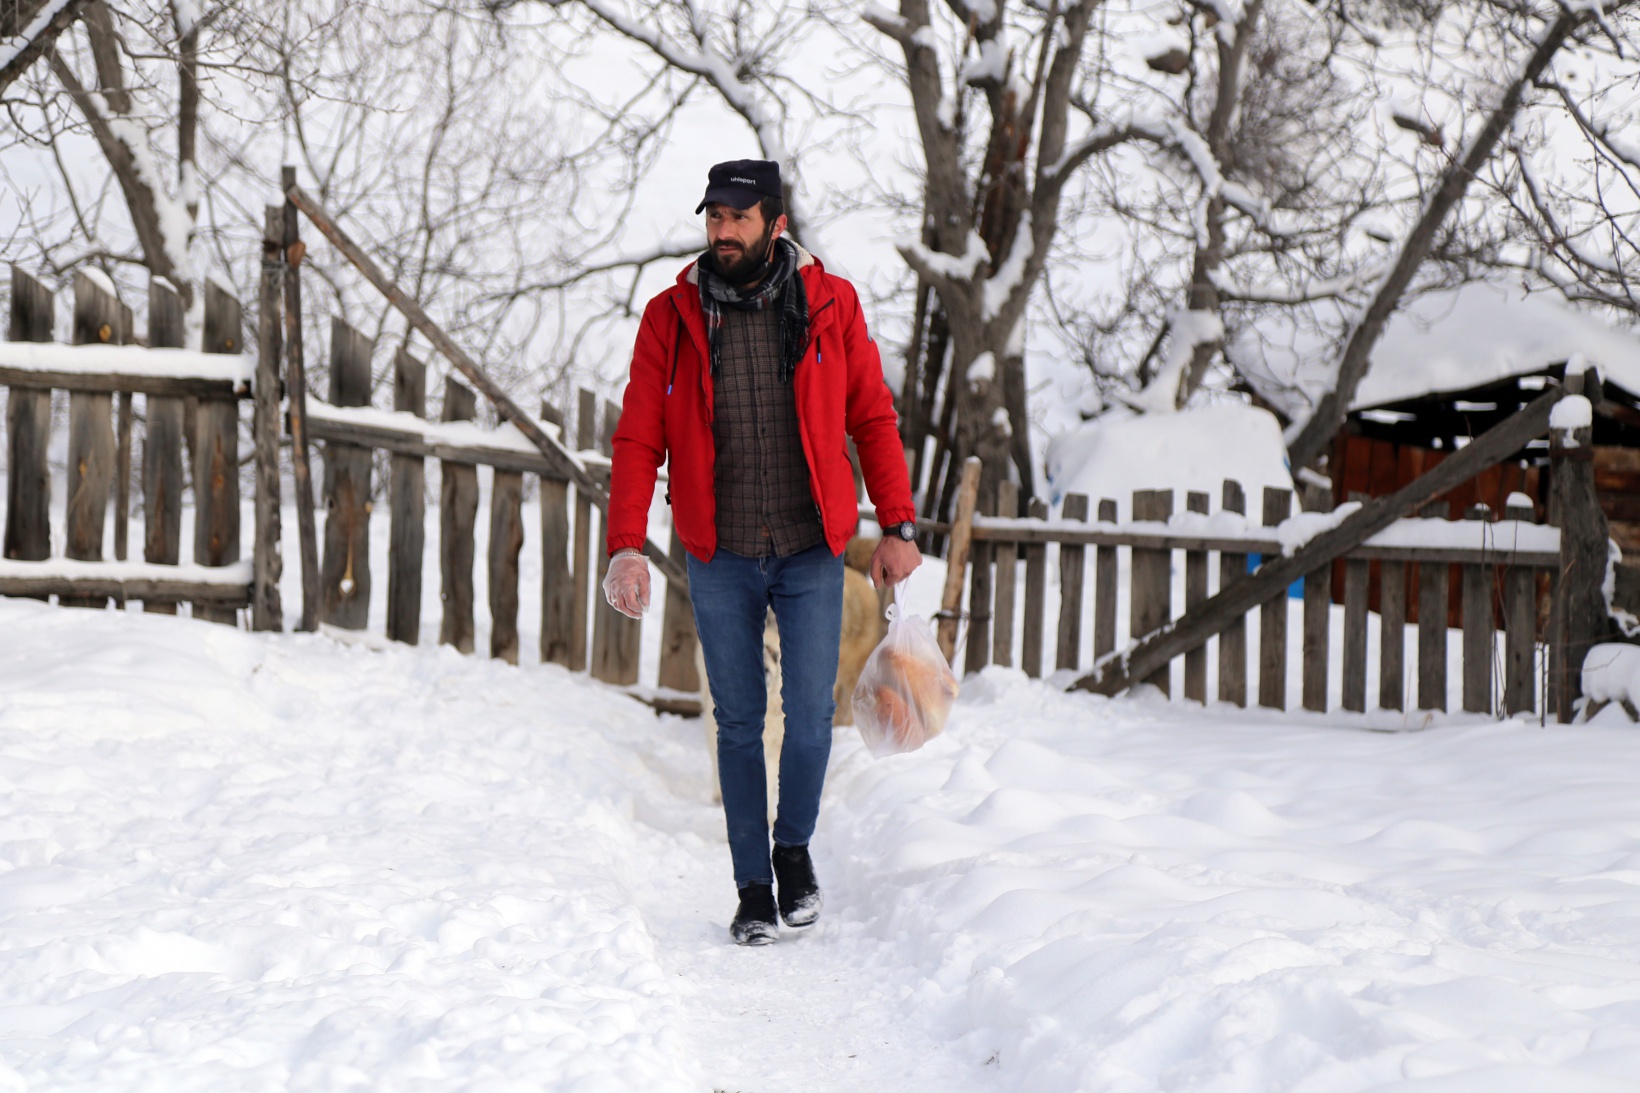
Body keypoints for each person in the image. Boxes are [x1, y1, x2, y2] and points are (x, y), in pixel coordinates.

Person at [601, 159, 923, 945]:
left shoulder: (830, 303)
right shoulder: (670, 317)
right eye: (715, 216)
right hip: (720, 550)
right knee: (739, 722)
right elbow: (639, 436)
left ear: (775, 224)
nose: (723, 231)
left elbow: (872, 418)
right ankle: (752, 888)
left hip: (812, 544)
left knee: (810, 716)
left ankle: (793, 851)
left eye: (740, 218)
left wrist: (898, 525)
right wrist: (625, 545)